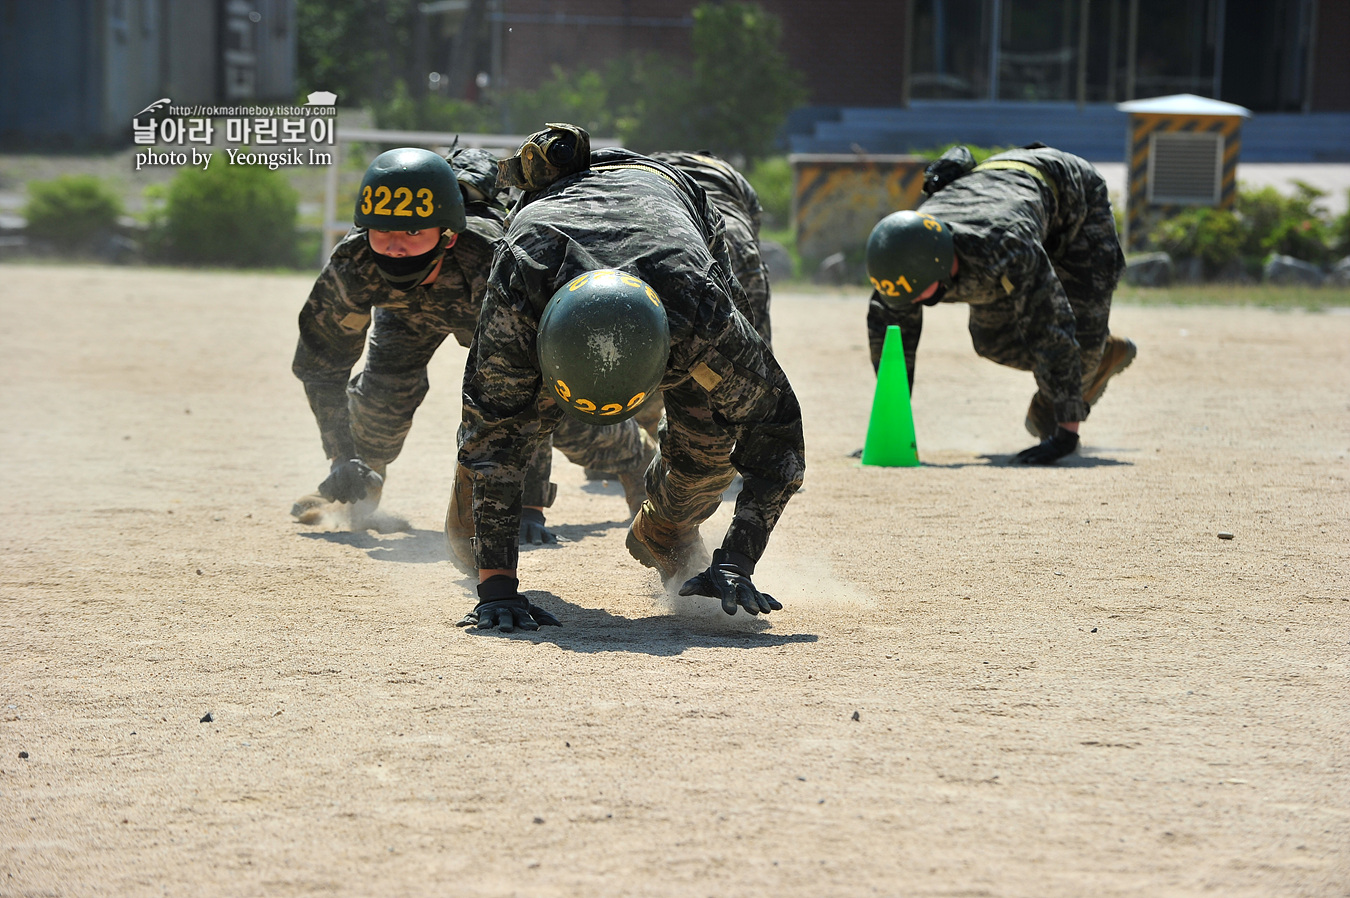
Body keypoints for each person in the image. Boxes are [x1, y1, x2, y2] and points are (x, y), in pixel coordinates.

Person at [452, 125, 805, 632]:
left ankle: (663, 530)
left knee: (708, 454)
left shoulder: (702, 315)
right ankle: (473, 538)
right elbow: (493, 434)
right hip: (553, 234)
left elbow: (777, 434)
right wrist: (497, 589)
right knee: (497, 434)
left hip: (675, 208)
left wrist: (736, 560)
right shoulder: (521, 284)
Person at [291, 146, 652, 543]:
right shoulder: (353, 262)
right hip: (405, 316)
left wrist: (528, 507)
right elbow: (322, 366)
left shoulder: (496, 260)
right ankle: (358, 490)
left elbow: (534, 382)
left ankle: (636, 462)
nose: (395, 245)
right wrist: (342, 455)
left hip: (487, 311)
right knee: (382, 395)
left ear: (447, 236)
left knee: (569, 425)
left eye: (412, 232)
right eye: (382, 231)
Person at [864, 144, 1137, 465]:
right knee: (993, 341)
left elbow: (1051, 323)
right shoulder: (904, 254)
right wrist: (891, 424)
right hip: (1001, 194)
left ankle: (1095, 363)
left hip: (1073, 201)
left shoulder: (1005, 249)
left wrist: (1066, 433)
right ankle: (1066, 390)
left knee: (1080, 353)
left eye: (919, 293)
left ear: (939, 267)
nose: (911, 301)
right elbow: (892, 340)